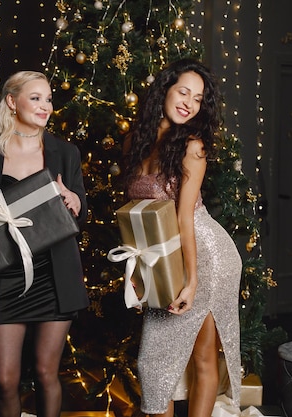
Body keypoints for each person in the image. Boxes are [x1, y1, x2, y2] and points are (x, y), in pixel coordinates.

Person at [121, 58, 242, 417]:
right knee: (155, 363)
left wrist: (191, 281)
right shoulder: (134, 141)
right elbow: (138, 218)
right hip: (163, 253)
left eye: (198, 98)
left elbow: (184, 218)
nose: (189, 102)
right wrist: (139, 273)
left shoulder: (193, 147)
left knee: (203, 354)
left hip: (206, 253)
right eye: (183, 91)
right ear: (165, 91)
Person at [0, 70, 89, 417]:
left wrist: (75, 203)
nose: (45, 106)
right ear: (11, 101)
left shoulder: (65, 152)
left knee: (46, 372)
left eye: (48, 99)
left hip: (54, 275)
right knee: (5, 379)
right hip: (5, 275)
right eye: (35, 98)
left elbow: (80, 209)